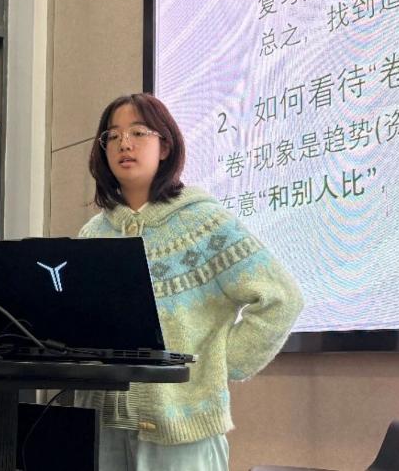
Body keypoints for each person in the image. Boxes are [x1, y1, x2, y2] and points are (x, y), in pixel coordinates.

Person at [76, 93, 304, 471]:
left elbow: (282, 298)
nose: (124, 144)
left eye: (138, 132)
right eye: (112, 136)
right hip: (101, 429)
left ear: (165, 146)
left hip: (182, 434)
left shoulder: (202, 222)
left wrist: (215, 366)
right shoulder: (92, 234)